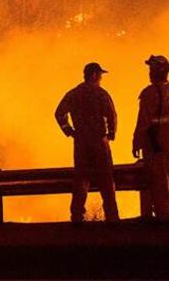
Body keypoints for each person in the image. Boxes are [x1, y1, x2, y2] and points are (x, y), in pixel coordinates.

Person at [55, 62, 120, 223]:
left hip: (81, 143)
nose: (101, 78)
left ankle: (77, 216)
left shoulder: (74, 94)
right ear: (93, 75)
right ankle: (112, 216)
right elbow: (112, 115)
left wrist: (70, 131)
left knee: (81, 179)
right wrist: (111, 133)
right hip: (99, 142)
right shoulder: (101, 94)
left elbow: (59, 113)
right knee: (106, 180)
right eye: (100, 75)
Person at [133, 54, 169, 223]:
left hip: (157, 146)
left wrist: (137, 142)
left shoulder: (150, 93)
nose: (149, 73)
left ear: (157, 72)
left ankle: (163, 218)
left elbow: (144, 121)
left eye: (151, 70)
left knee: (159, 182)